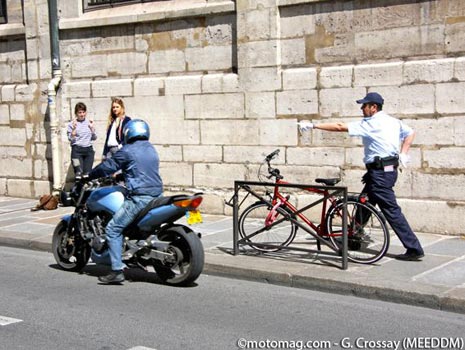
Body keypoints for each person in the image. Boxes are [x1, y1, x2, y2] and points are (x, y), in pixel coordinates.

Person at [298, 92, 424, 261]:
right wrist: (403, 153)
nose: (361, 108)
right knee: (364, 204)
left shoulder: (372, 123)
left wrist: (313, 126)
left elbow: (339, 127)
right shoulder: (393, 121)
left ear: (374, 107)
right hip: (383, 172)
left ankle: (414, 248)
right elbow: (410, 132)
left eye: (364, 105)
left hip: (380, 174)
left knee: (391, 211)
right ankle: (354, 237)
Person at [89, 119, 163, 284]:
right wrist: (124, 175)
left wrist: (90, 174)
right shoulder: (150, 148)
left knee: (113, 229)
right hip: (156, 194)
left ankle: (116, 270)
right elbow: (140, 170)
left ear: (128, 133)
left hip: (139, 197)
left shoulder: (127, 150)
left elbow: (108, 166)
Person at [67, 102, 97, 179]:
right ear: (76, 113)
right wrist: (73, 131)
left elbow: (94, 138)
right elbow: (70, 139)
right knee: (78, 174)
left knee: (87, 175)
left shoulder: (89, 123)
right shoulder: (72, 124)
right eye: (80, 112)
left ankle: (85, 190)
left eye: (83, 112)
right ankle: (77, 190)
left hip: (88, 151)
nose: (82, 114)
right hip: (76, 152)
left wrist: (92, 129)